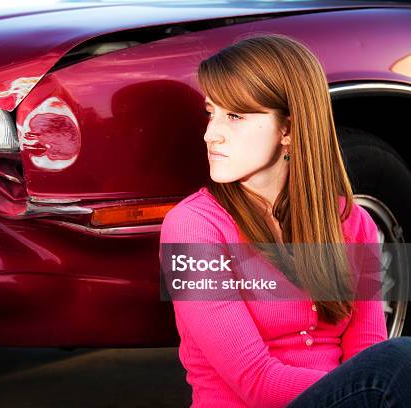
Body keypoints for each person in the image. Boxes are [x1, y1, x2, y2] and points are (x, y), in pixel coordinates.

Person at [159, 34, 411, 408]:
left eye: (235, 116)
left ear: (289, 130)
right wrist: (361, 388)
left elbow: (366, 350)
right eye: (211, 113)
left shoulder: (354, 221)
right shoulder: (190, 227)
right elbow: (255, 382)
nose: (211, 134)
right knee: (399, 359)